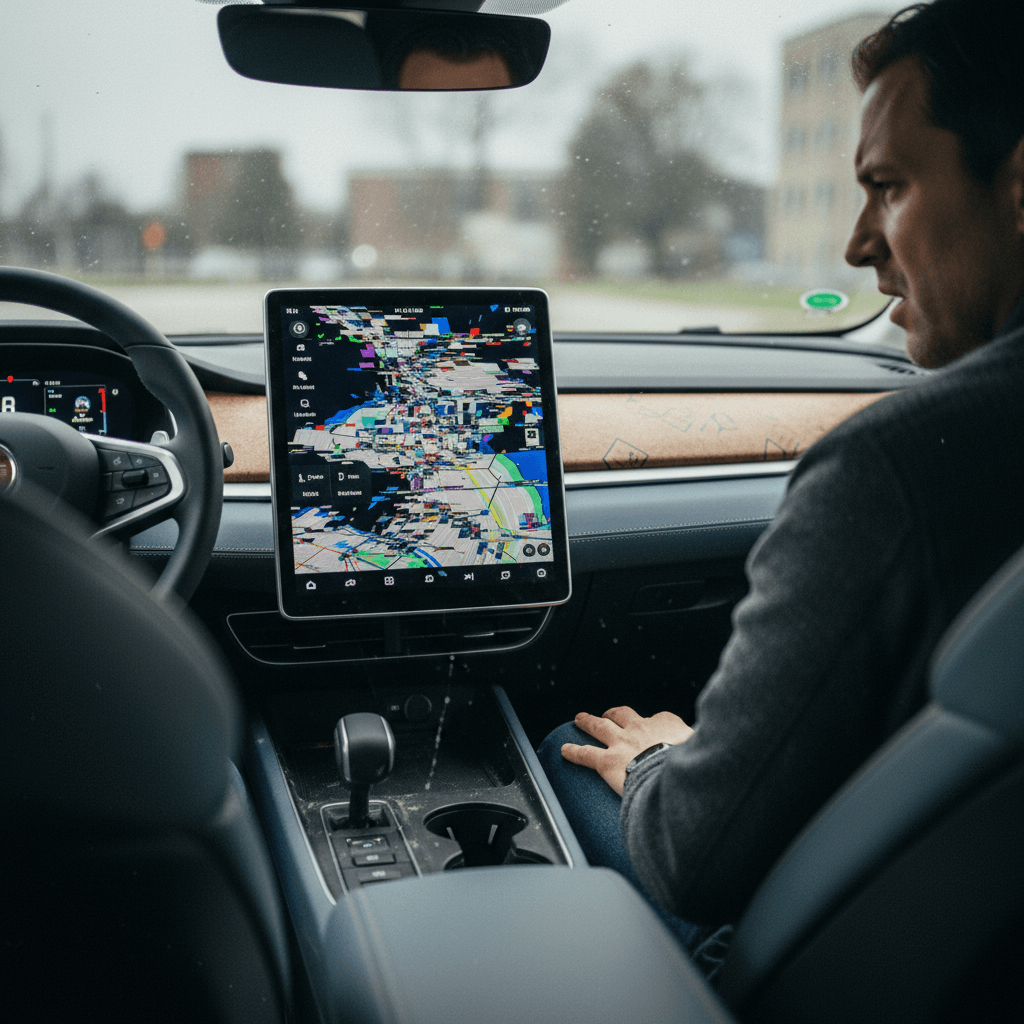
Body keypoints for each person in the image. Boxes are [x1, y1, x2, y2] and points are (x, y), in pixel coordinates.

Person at [538, 0, 1024, 974]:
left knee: (568, 741)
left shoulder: (894, 471)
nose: (855, 244)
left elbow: (691, 854)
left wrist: (661, 768)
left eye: (885, 187)